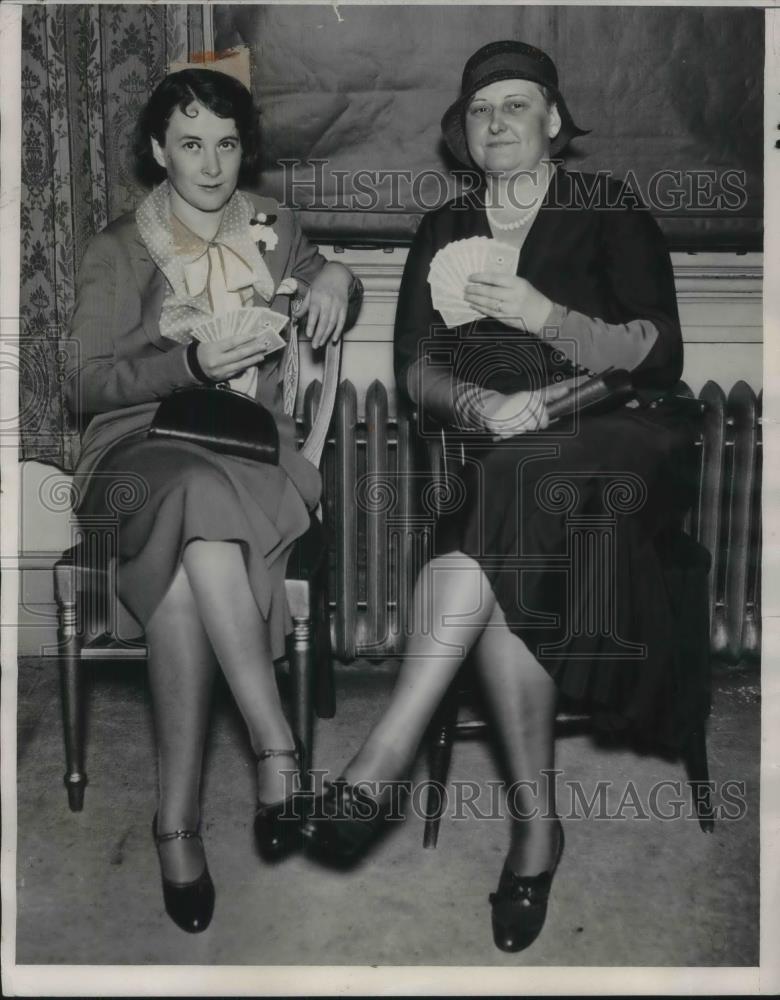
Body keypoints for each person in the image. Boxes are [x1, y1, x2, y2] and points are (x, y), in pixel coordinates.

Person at [302, 40, 699, 953]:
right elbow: (415, 368)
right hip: (504, 457)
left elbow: (662, 355)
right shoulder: (444, 228)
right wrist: (480, 399)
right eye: (482, 110)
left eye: (517, 106)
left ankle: (384, 758)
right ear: (464, 132)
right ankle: (535, 834)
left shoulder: (608, 209)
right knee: (500, 513)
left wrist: (541, 317)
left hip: (623, 441)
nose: (498, 123)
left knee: (503, 493)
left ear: (554, 120)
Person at [65, 67, 362, 933]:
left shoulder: (276, 231)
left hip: (247, 453)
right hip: (130, 453)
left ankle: (176, 826)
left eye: (227, 144)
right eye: (190, 143)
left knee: (200, 553)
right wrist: (188, 364)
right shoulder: (115, 249)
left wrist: (339, 273)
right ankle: (278, 749)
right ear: (159, 150)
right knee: (194, 505)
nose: (211, 162)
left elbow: (317, 272)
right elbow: (84, 385)